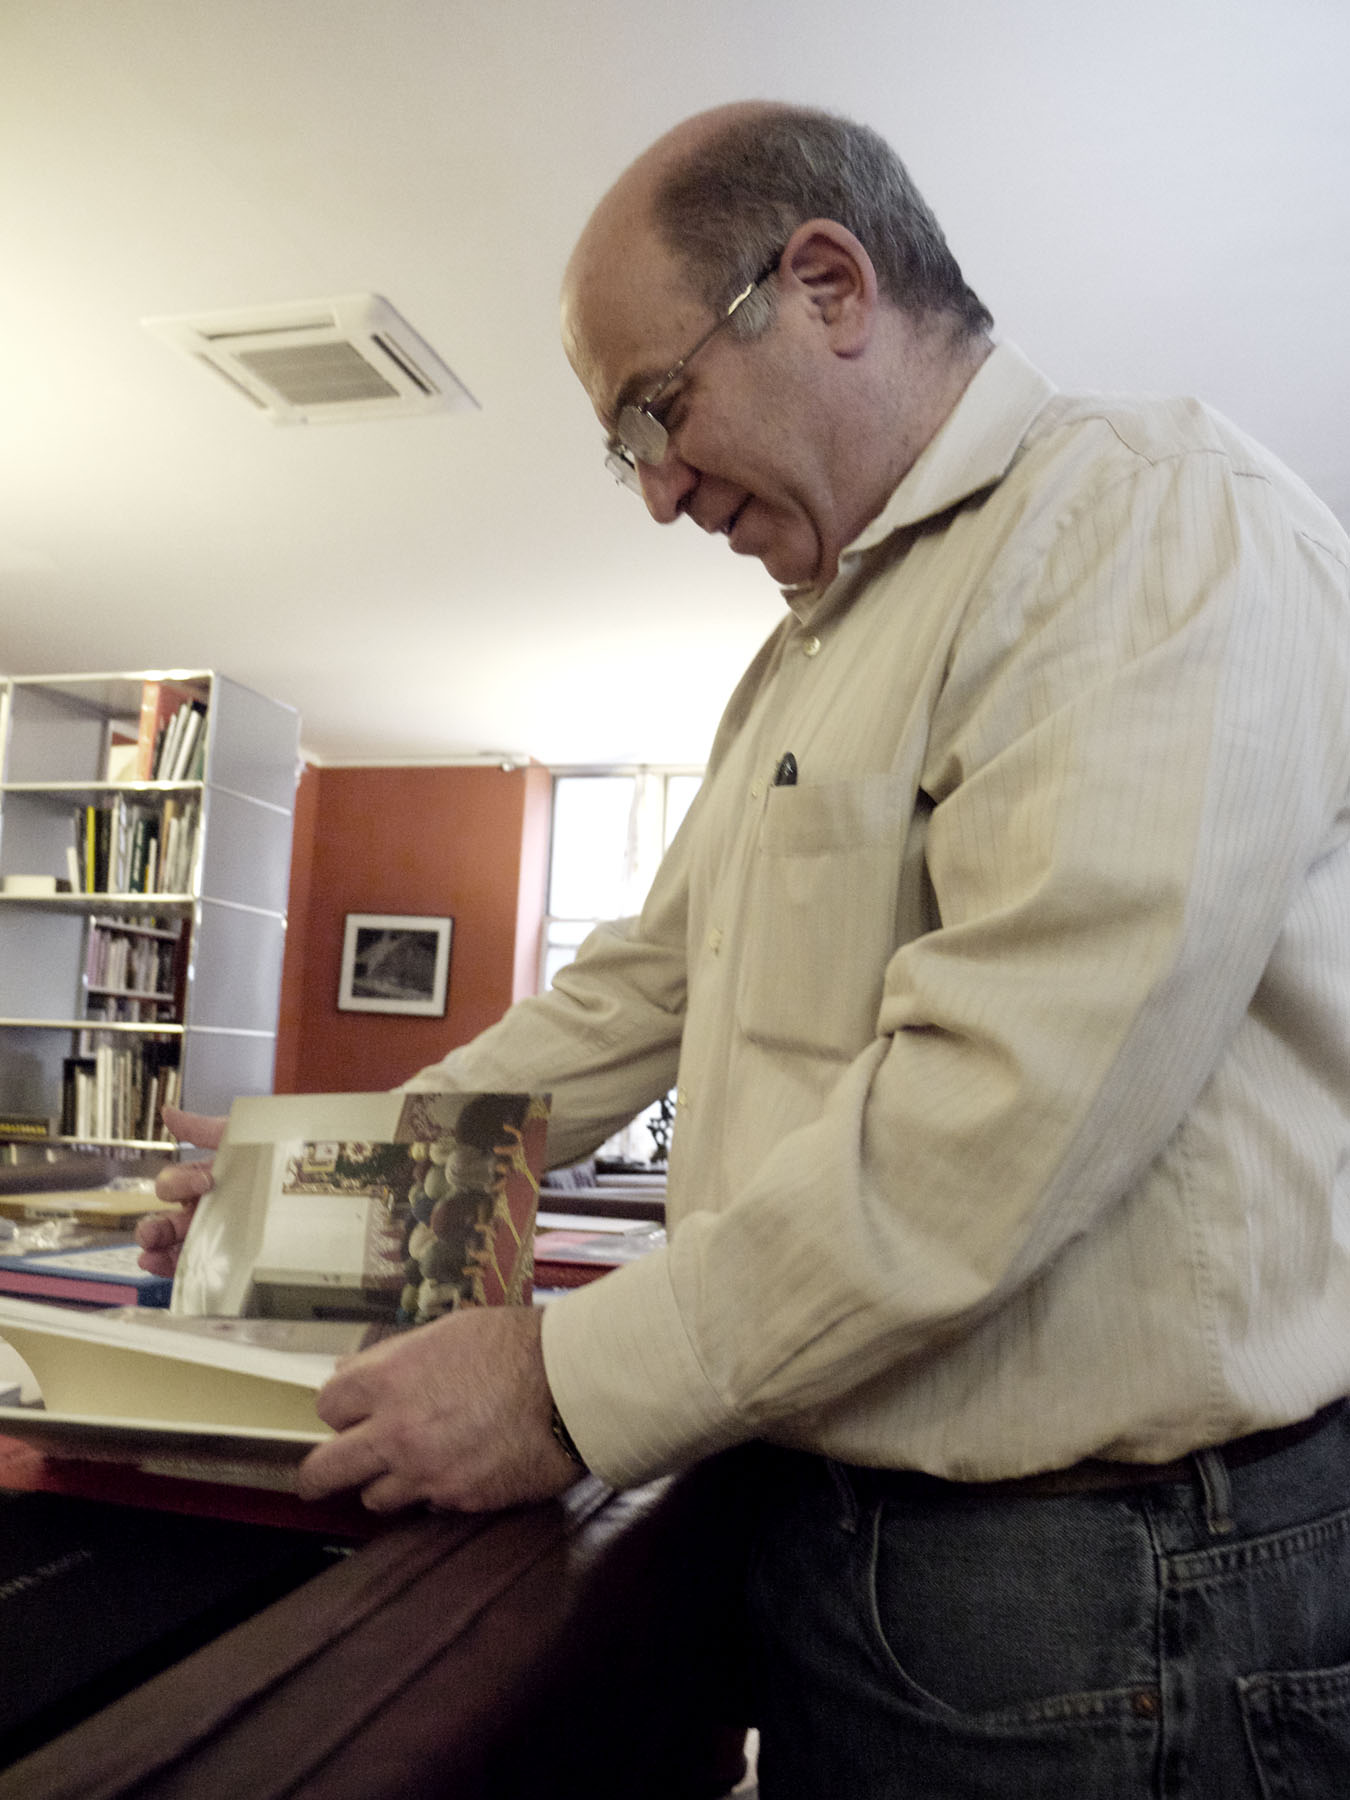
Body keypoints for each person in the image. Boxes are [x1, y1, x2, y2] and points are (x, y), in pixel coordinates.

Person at [141, 102, 1350, 1797]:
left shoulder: (1151, 525)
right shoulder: (803, 659)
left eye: (656, 405)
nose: (651, 490)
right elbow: (643, 987)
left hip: (1100, 1588)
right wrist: (328, 1166)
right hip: (855, 1543)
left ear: (829, 285)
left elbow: (997, 1116)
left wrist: (560, 1382)